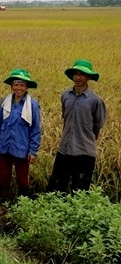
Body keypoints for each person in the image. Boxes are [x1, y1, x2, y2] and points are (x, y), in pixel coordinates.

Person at [47, 59, 106, 193]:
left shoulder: (96, 101)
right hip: (64, 149)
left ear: (88, 77)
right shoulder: (65, 96)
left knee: (80, 191)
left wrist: (85, 138)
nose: (78, 77)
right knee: (55, 188)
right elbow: (66, 119)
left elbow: (97, 126)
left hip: (84, 152)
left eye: (82, 74)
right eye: (76, 74)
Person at [0, 69, 41, 209]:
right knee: (4, 178)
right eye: (16, 84)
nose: (19, 88)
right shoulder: (4, 103)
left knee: (22, 180)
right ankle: (2, 205)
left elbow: (35, 130)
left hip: (22, 148)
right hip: (4, 146)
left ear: (27, 87)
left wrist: (33, 151)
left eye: (22, 85)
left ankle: (23, 207)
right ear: (11, 86)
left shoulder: (32, 105)